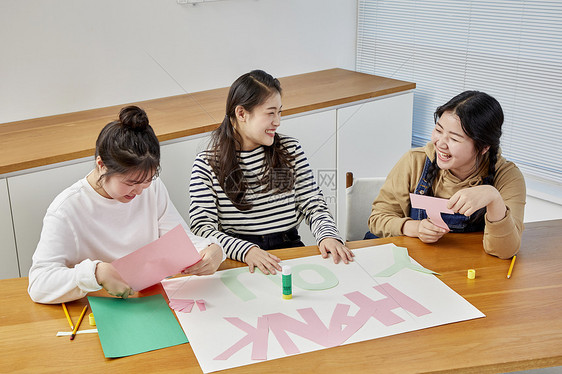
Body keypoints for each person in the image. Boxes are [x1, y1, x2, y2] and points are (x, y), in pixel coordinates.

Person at [28, 106, 225, 304]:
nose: (140, 191)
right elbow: (39, 284)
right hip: (99, 308)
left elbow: (178, 239)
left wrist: (212, 249)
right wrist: (97, 273)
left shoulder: (152, 188)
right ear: (101, 164)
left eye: (147, 179)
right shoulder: (66, 210)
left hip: (150, 299)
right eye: (130, 183)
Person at [189, 70, 353, 275]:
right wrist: (246, 250)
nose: (278, 121)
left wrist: (328, 236)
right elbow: (202, 228)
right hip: (238, 257)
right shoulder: (207, 163)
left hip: (288, 248)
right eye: (270, 113)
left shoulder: (290, 149)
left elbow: (313, 203)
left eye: (280, 112)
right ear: (241, 113)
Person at [368, 91, 525, 259]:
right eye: (438, 130)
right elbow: (377, 219)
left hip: (465, 267)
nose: (440, 143)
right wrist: (414, 227)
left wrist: (493, 198)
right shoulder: (415, 161)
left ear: (484, 147)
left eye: (454, 139)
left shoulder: (507, 176)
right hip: (411, 261)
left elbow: (506, 251)